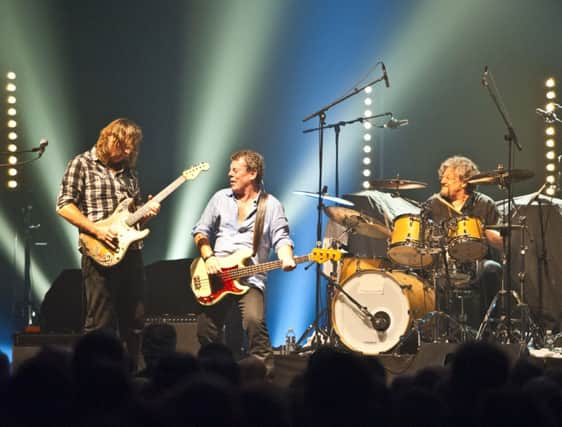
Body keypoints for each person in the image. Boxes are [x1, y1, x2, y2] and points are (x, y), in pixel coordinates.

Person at [56, 118, 160, 366]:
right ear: (109, 139)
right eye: (124, 146)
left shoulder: (130, 174)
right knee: (100, 323)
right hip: (98, 253)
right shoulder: (81, 164)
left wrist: (146, 215)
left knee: (135, 321)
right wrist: (97, 231)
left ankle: (133, 375)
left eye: (132, 148)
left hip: (131, 254)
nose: (128, 152)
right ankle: (93, 376)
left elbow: (130, 223)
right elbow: (64, 205)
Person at [192, 150, 295, 371]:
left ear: (252, 173)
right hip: (216, 275)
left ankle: (263, 376)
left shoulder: (271, 205)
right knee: (205, 330)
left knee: (254, 322)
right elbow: (200, 231)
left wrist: (286, 255)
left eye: (235, 170)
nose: (229, 174)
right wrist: (208, 257)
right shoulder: (220, 198)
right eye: (230, 170)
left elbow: (282, 237)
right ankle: (217, 371)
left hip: (250, 279)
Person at [424, 155, 502, 329]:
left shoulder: (484, 204)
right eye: (442, 176)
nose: (442, 180)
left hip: (477, 261)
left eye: (448, 178)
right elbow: (421, 234)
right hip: (443, 262)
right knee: (428, 277)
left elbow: (500, 241)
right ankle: (439, 331)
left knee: (492, 269)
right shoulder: (433, 204)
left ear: (464, 182)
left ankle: (487, 329)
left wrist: (482, 229)